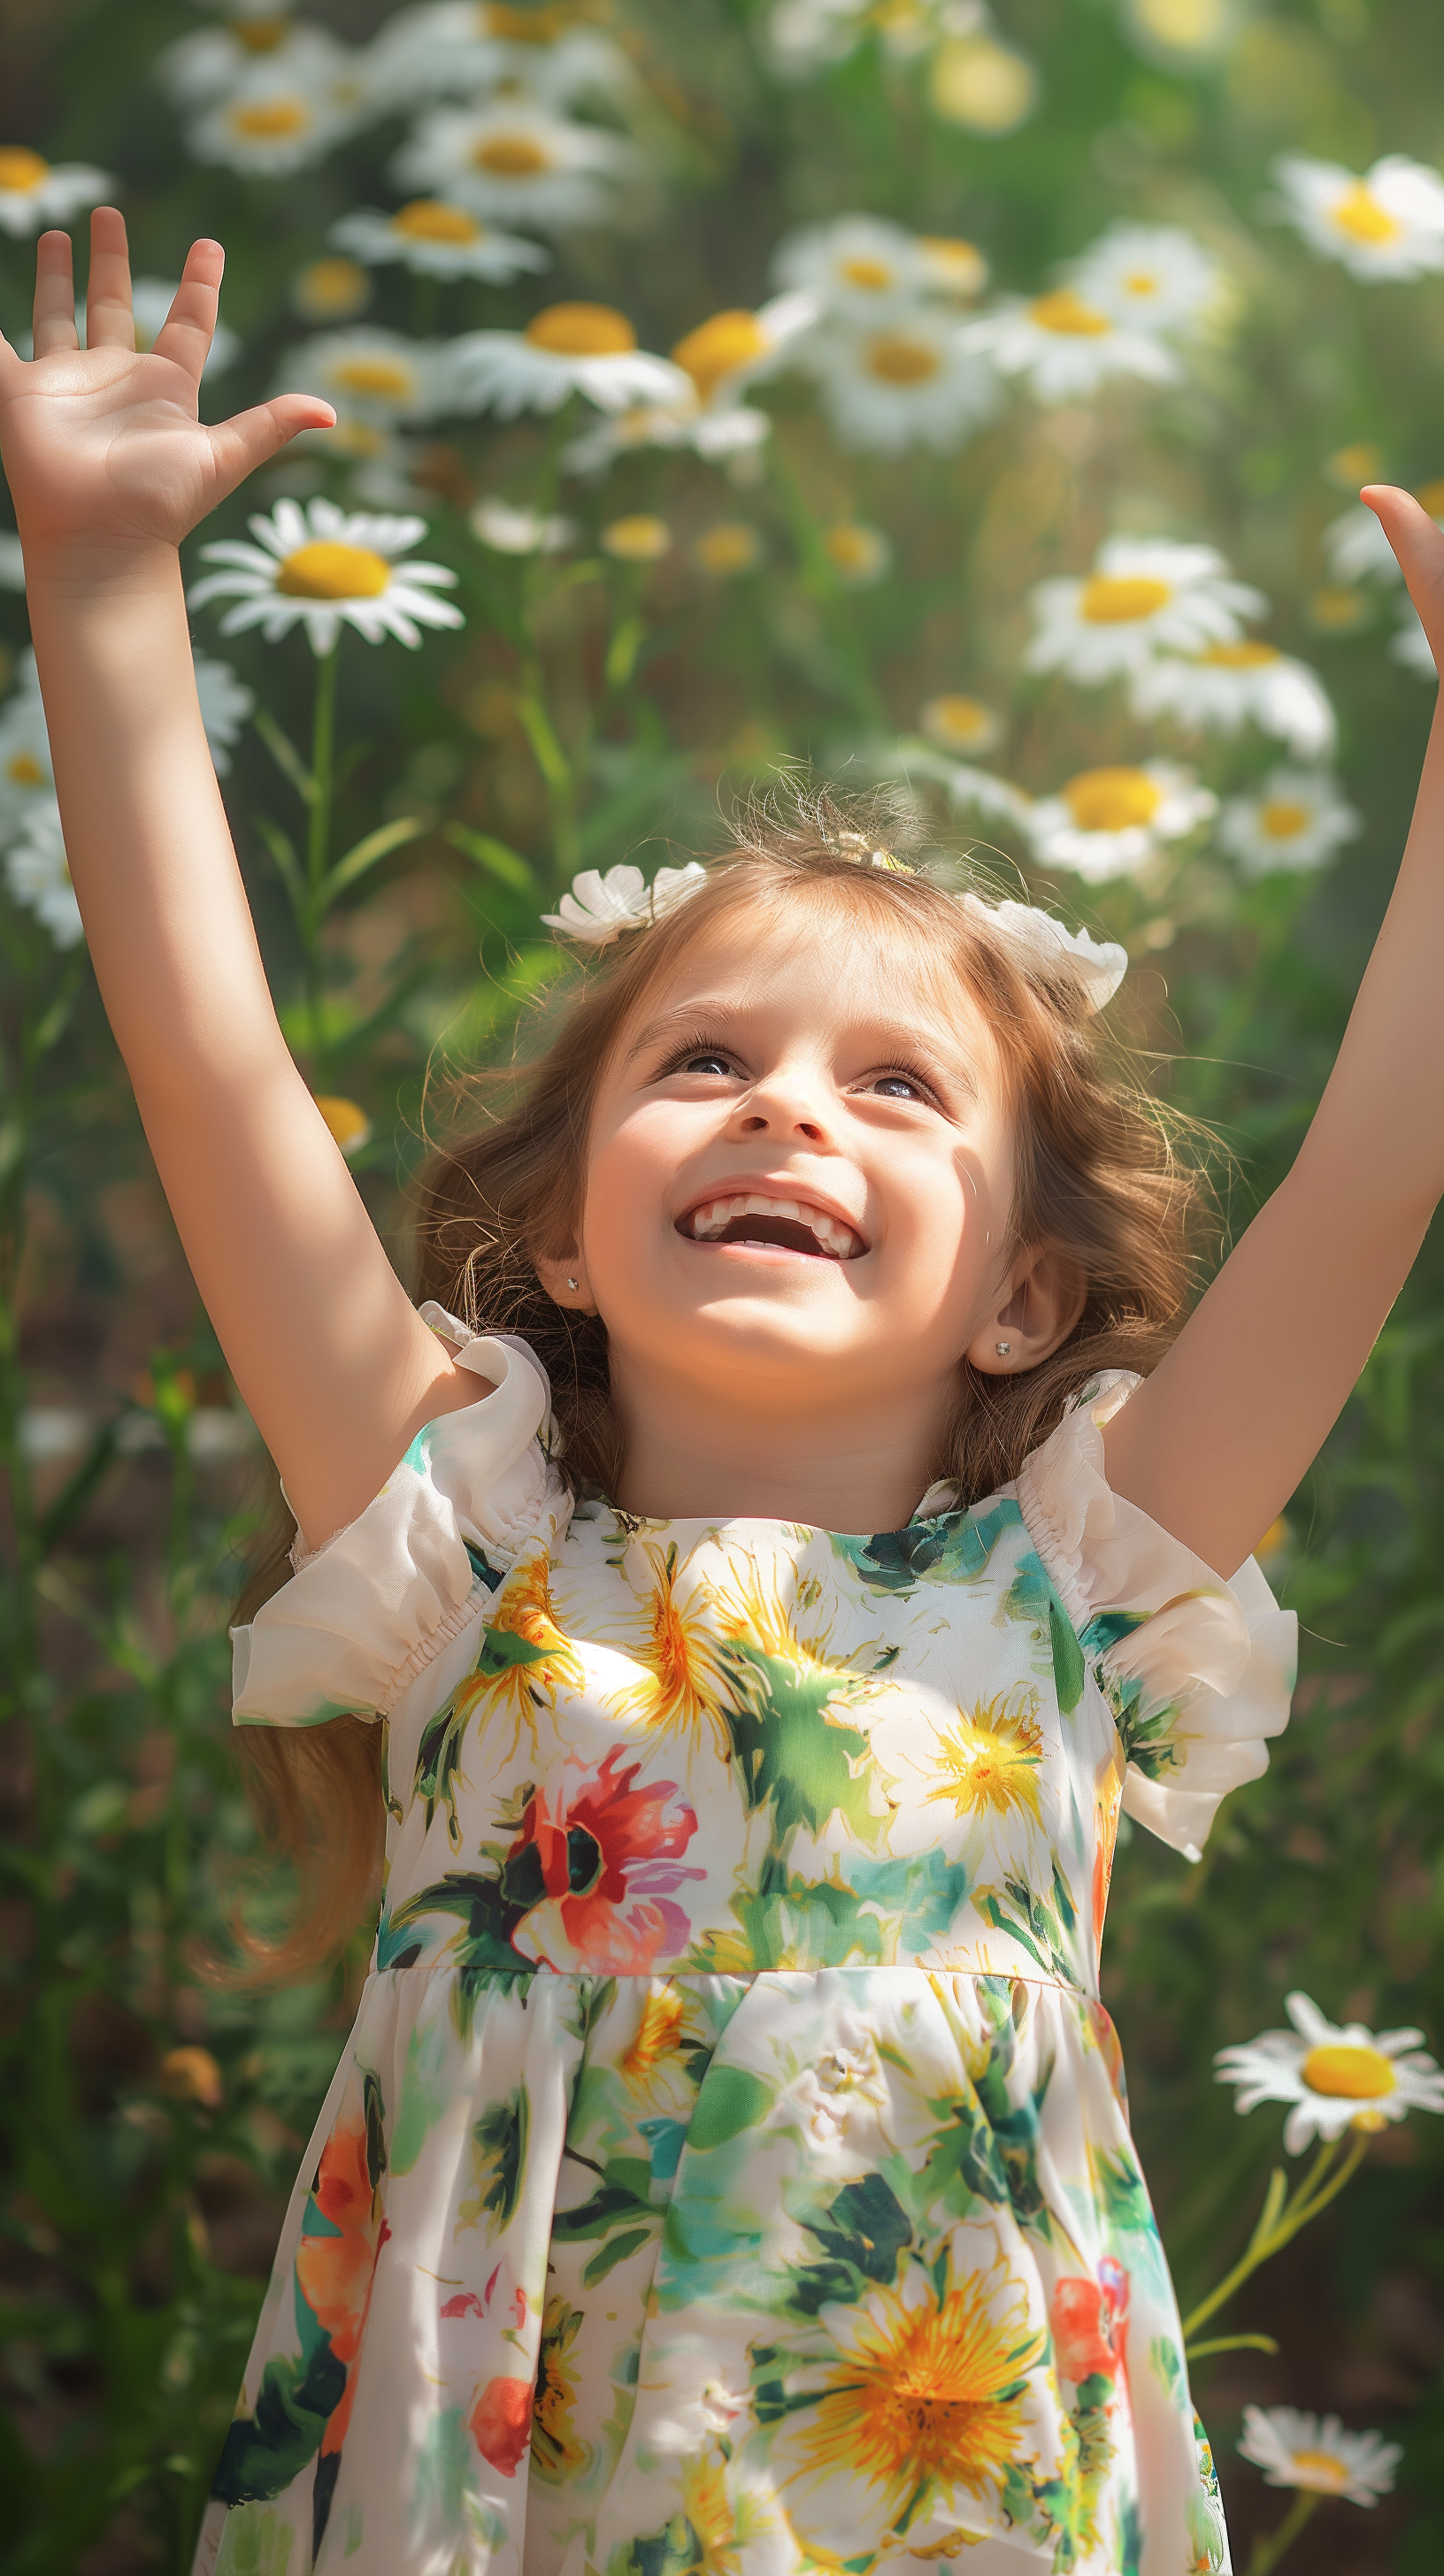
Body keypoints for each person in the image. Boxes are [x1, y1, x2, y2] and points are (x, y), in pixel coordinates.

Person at [3, 211, 1440, 2576]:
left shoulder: (1088, 1573)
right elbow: (206, 1051)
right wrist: (102, 582)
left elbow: (1385, 1163)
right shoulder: (454, 1533)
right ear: (565, 1228)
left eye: (899, 1088)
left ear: (1022, 1298)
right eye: (708, 1061)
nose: (793, 1113)